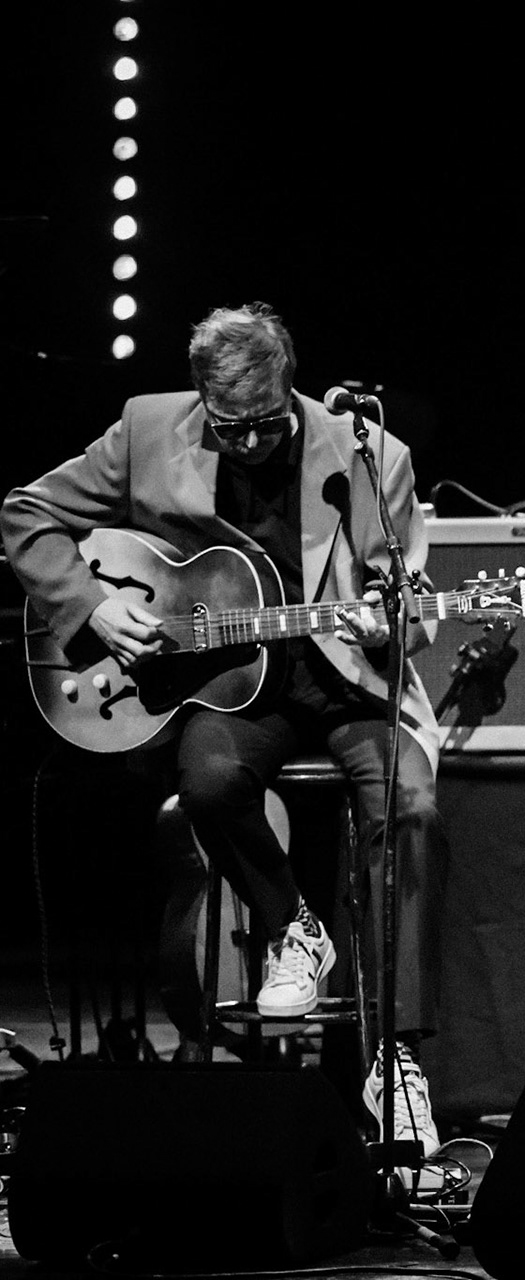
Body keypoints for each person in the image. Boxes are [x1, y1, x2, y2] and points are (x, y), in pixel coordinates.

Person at [1, 303, 447, 1158]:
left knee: (412, 807)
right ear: (202, 397)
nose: (242, 443)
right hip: (232, 689)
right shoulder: (147, 431)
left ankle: (397, 1062)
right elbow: (27, 512)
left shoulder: (369, 452)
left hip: (345, 684)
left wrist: (395, 625)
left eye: (262, 426)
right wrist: (92, 607)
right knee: (206, 782)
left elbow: (406, 599)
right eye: (224, 426)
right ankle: (295, 929)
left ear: (291, 386)